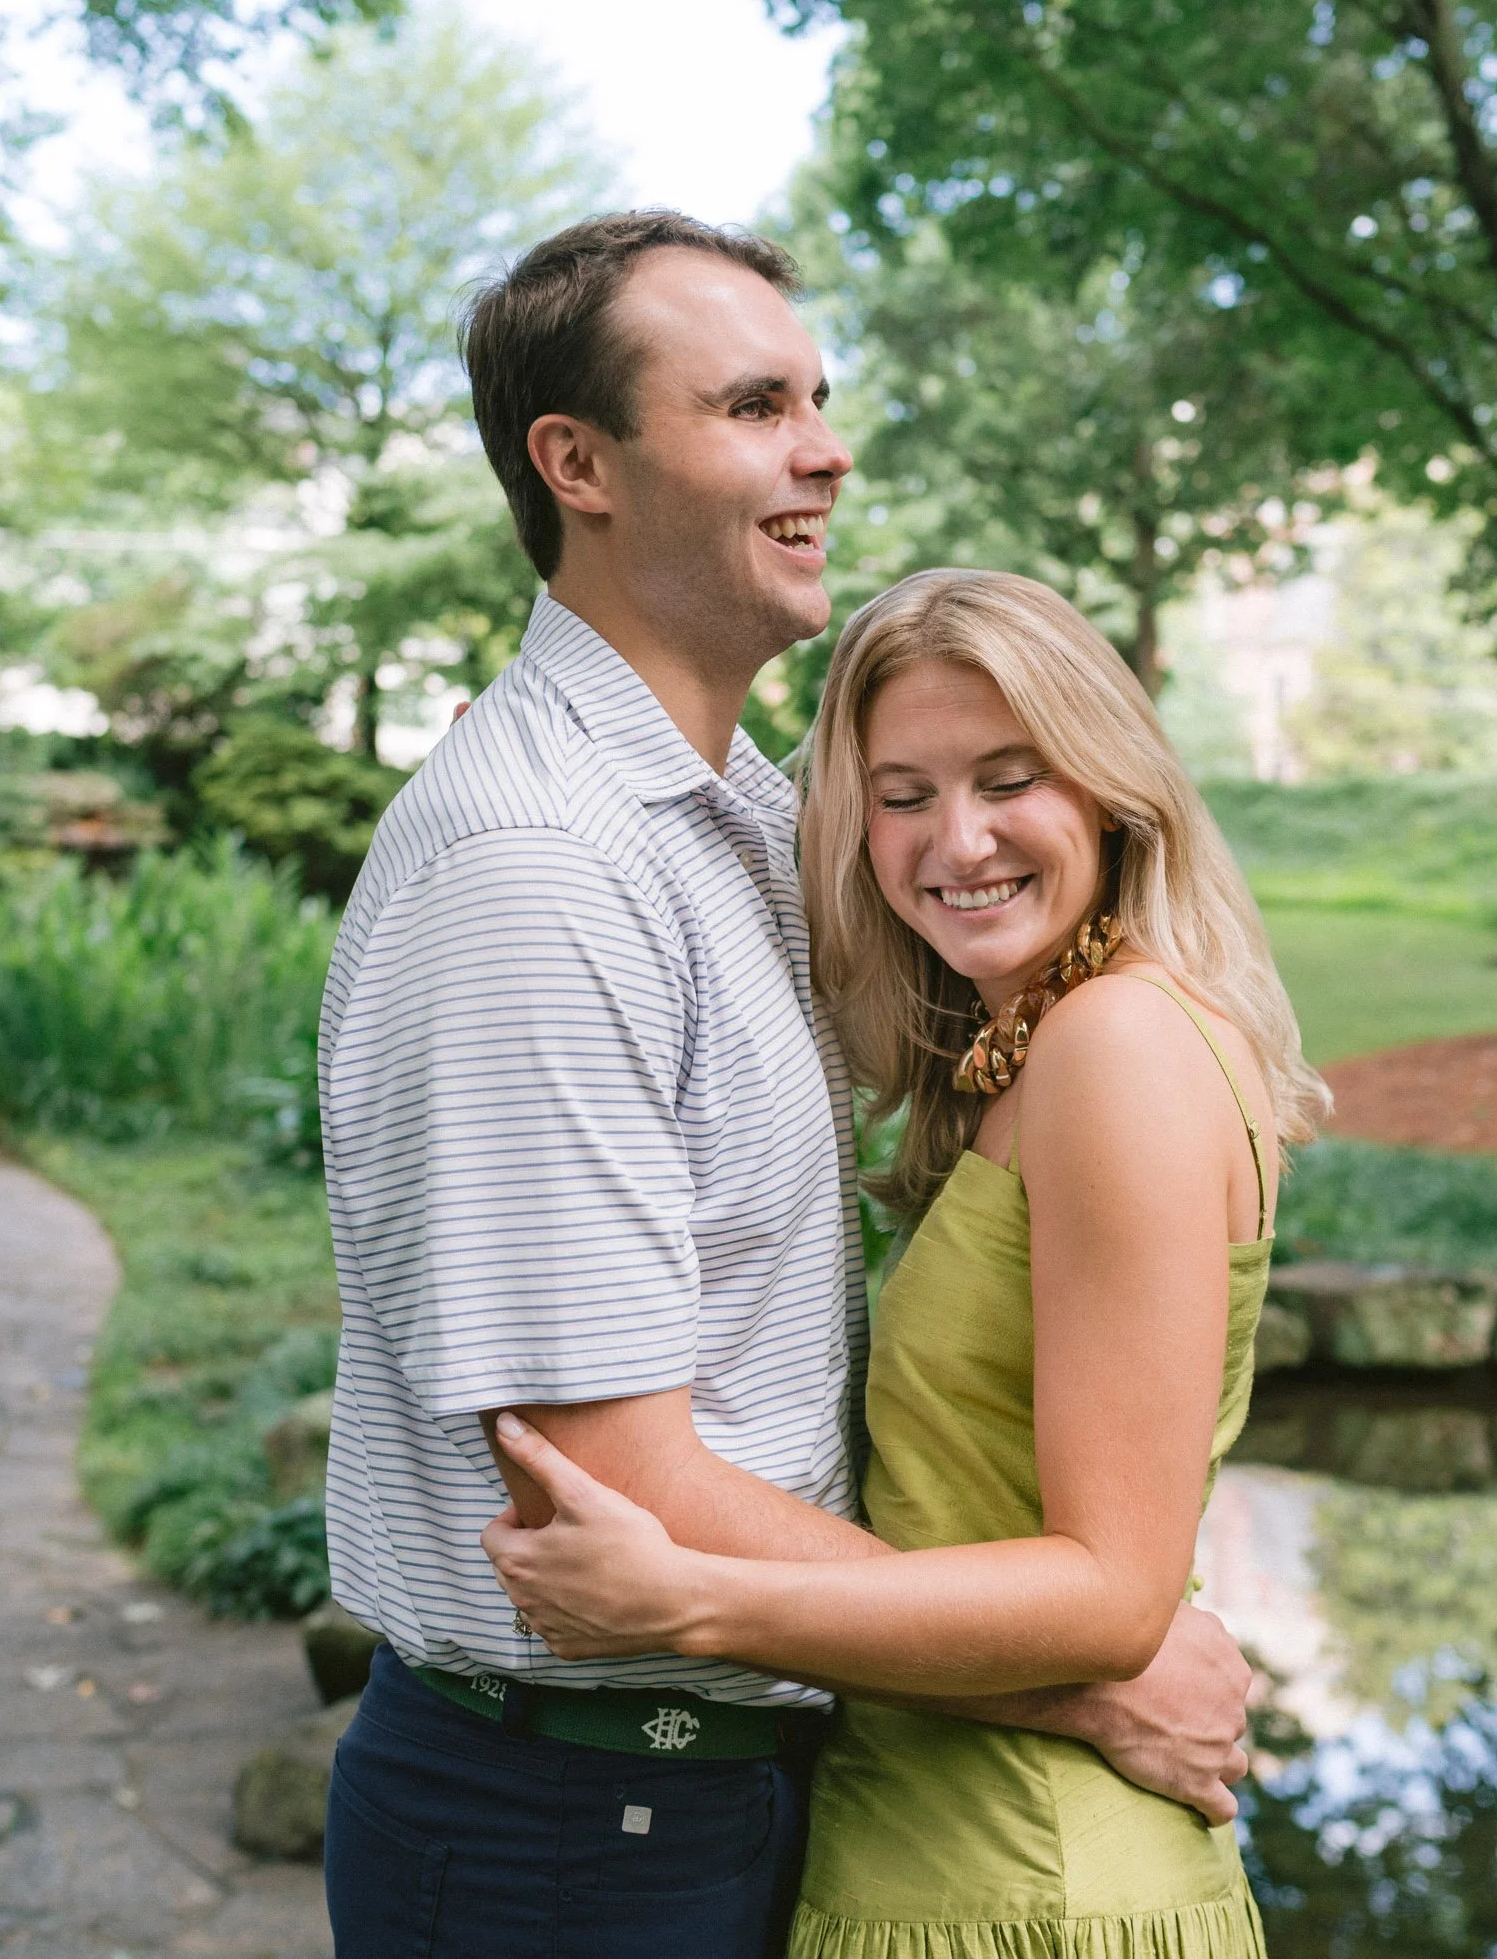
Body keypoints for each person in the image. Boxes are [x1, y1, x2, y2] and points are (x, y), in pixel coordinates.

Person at [318, 214, 1258, 1959]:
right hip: (569, 1832)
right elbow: (608, 1482)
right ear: (576, 462)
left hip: (732, 1782)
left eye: (819, 399)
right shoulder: (542, 865)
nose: (826, 447)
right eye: (755, 403)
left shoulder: (744, 821)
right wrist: (1072, 1680)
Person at [485, 565, 1331, 1959]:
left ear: (1111, 790)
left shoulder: (1116, 1048)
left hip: (1027, 1877)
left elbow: (1113, 1594)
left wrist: (688, 1602)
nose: (959, 838)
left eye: (1011, 777)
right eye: (903, 793)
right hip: (957, 1843)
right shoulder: (1043, 1047)